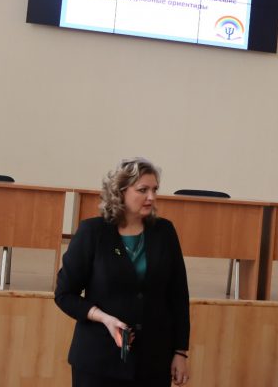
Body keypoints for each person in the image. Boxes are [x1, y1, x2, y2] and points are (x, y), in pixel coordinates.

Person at [55, 158, 190, 386]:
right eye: (143, 190)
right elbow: (64, 294)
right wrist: (104, 318)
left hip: (153, 362)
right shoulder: (92, 232)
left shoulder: (164, 232)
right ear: (120, 191)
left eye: (155, 189)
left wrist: (180, 352)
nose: (151, 197)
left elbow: (178, 297)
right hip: (98, 362)